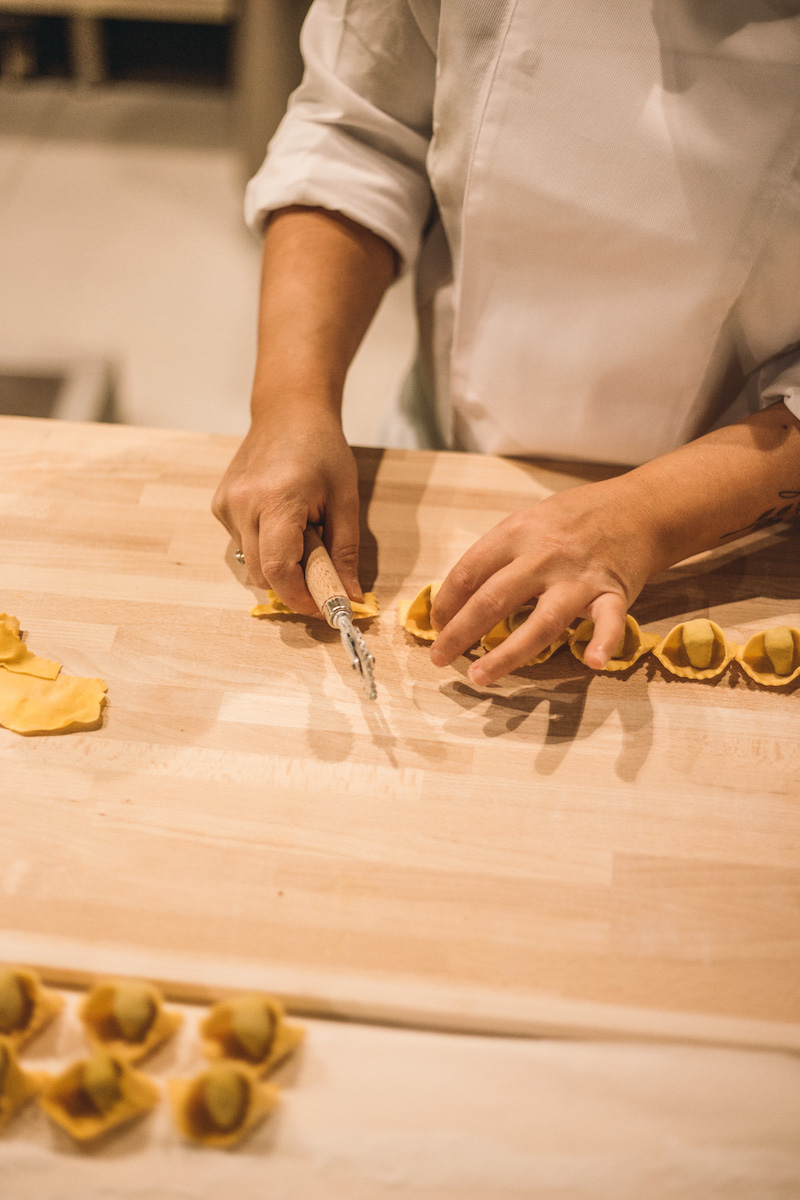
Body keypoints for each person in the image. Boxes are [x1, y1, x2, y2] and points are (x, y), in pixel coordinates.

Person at [212, 0, 800, 688]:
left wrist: (652, 516)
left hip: (744, 518)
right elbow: (356, 134)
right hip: (450, 445)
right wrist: (290, 402)